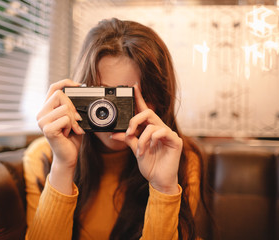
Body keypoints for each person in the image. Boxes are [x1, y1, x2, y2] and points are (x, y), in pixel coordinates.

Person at [23, 18, 207, 240]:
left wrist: (163, 188)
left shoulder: (180, 159)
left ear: (159, 99)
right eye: (103, 96)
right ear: (79, 91)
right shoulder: (44, 156)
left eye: (128, 98)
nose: (111, 113)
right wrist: (63, 166)